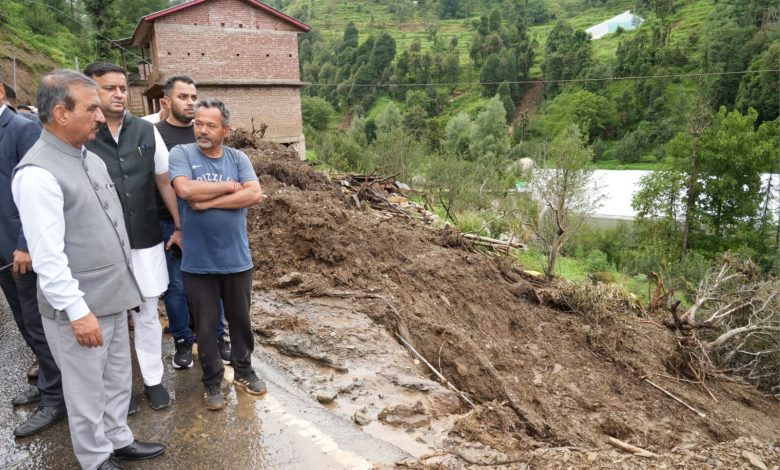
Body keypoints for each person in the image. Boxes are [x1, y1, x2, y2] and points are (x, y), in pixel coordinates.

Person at [12, 69, 165, 470]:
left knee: (116, 377)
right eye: (91, 108)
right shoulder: (38, 174)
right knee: (86, 388)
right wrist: (78, 313)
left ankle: (118, 438)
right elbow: (48, 258)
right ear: (61, 114)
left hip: (112, 295)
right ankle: (95, 458)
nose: (100, 116)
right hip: (80, 308)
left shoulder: (88, 157)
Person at [83, 62, 181, 411]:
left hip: (144, 237)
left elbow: (163, 181)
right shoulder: (83, 135)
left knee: (148, 312)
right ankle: (118, 389)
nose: (119, 94)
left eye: (123, 88)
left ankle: (153, 380)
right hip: (101, 244)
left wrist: (179, 225)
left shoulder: (146, 130)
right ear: (90, 91)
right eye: (109, 88)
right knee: (107, 317)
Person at [169, 99, 266, 410]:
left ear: (225, 130)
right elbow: (185, 190)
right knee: (206, 326)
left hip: (237, 259)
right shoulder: (182, 154)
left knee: (240, 321)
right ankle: (212, 381)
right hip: (198, 262)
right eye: (198, 123)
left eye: (211, 125)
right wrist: (229, 187)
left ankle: (244, 370)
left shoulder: (238, 157)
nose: (202, 130)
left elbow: (255, 194)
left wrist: (208, 202)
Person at [0, 80, 67, 437]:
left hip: (21, 249)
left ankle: (56, 397)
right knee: (24, 321)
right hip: (2, 250)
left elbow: (35, 188)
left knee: (40, 323)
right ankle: (47, 383)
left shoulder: (21, 129)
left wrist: (25, 244)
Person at [154, 75, 231, 370]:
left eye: (193, 97)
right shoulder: (156, 135)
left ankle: (217, 336)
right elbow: (165, 183)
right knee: (176, 286)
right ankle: (183, 340)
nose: (189, 102)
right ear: (166, 101)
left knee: (214, 281)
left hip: (206, 219)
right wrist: (178, 226)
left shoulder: (205, 132)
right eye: (182, 97)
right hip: (169, 221)